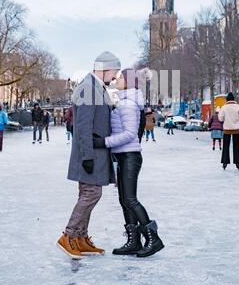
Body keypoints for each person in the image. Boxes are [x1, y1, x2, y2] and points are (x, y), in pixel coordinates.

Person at [93, 69, 164, 258]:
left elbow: (130, 134)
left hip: (130, 156)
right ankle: (134, 241)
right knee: (124, 200)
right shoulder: (123, 102)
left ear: (130, 82)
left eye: (121, 77)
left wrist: (104, 142)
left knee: (130, 199)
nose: (117, 79)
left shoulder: (128, 105)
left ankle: (153, 238)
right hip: (123, 156)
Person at [57, 51, 121, 259]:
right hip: (90, 153)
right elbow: (83, 126)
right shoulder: (88, 88)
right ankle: (68, 235)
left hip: (94, 152)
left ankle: (80, 238)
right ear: (105, 69)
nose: (115, 77)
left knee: (88, 194)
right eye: (114, 72)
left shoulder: (95, 87)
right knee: (91, 194)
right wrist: (86, 156)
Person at [218, 92, 239, 170]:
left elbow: (220, 119)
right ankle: (237, 162)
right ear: (234, 99)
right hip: (236, 129)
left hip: (227, 129)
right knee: (236, 146)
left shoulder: (224, 107)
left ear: (227, 100)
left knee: (226, 146)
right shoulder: (238, 107)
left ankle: (225, 162)